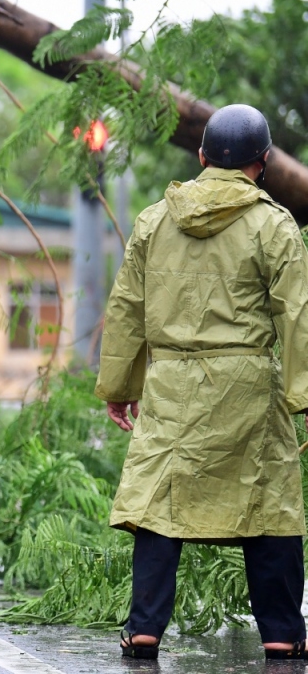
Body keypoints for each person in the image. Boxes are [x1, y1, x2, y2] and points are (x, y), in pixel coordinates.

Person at [97, 104, 308, 661]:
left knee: (159, 505)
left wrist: (121, 383)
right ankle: (284, 634)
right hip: (248, 385)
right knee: (270, 507)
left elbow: (126, 309)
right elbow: (296, 313)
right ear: (263, 162)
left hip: (169, 383)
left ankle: (143, 628)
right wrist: (303, 393)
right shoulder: (273, 224)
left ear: (201, 156)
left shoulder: (153, 220)